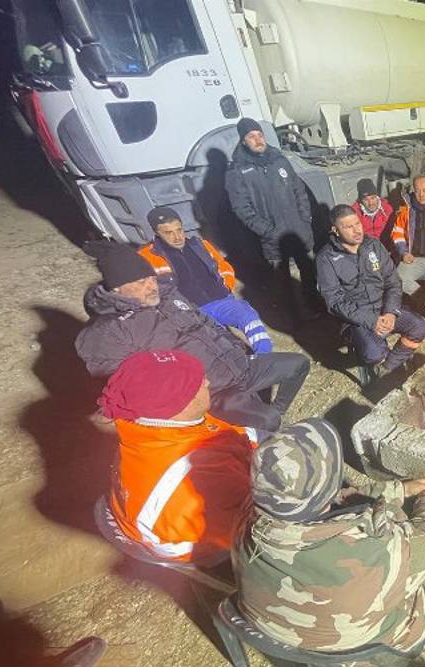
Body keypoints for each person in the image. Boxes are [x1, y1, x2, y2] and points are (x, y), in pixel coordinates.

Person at [233, 417, 425, 657]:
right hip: (370, 651)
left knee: (393, 514)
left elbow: (340, 500)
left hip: (281, 635)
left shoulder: (247, 519)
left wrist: (401, 490)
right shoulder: (370, 554)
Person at [75, 242, 310, 432]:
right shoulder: (110, 331)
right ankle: (264, 431)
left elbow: (207, 323)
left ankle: (277, 410)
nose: (151, 286)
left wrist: (238, 349)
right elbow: (124, 387)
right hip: (212, 391)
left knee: (298, 365)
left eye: (151, 278)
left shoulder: (170, 296)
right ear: (117, 289)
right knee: (268, 422)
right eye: (140, 282)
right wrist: (192, 397)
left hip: (239, 365)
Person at [98, 349, 253, 563]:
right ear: (181, 406)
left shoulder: (147, 427)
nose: (207, 382)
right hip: (197, 542)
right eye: (197, 383)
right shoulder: (200, 478)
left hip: (156, 514)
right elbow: (249, 530)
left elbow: (217, 431)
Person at [138, 206, 273, 354]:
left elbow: (224, 267)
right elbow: (149, 290)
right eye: (169, 233)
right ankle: (244, 366)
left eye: (179, 230)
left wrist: (226, 287)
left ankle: (266, 356)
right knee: (223, 343)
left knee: (249, 318)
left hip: (223, 300)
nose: (177, 237)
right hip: (194, 311)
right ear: (157, 233)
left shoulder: (200, 245)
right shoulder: (146, 257)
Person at [317, 205, 425, 380]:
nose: (357, 230)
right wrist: (371, 320)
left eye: (357, 223)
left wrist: (390, 312)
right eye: (348, 227)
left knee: (419, 327)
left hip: (383, 308)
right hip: (356, 318)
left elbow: (392, 281)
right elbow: (334, 301)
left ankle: (387, 368)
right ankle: (388, 367)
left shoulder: (373, 245)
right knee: (373, 352)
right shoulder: (326, 258)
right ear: (335, 230)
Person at [225, 117, 317, 322]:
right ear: (243, 141)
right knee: (283, 280)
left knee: (309, 272)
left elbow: (298, 190)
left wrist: (304, 218)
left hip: (297, 231)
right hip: (273, 237)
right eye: (251, 136)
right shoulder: (237, 171)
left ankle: (315, 306)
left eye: (260, 135)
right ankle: (295, 318)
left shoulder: (279, 160)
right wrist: (267, 230)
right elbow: (241, 208)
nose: (258, 140)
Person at [352, 177, 394, 250]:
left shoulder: (387, 208)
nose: (371, 203)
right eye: (366, 200)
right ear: (360, 200)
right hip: (366, 248)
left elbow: (395, 231)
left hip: (387, 246)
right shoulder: (354, 213)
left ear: (377, 196)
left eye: (373, 198)